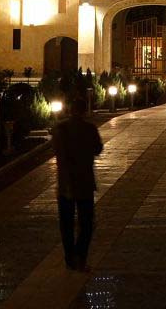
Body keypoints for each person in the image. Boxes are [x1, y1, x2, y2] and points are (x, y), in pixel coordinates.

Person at [51, 96, 104, 271]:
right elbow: (98, 149)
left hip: (65, 182)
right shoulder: (89, 129)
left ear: (69, 109)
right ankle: (80, 257)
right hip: (84, 182)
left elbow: (56, 150)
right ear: (84, 110)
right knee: (86, 223)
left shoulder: (60, 129)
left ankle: (69, 259)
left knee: (66, 225)